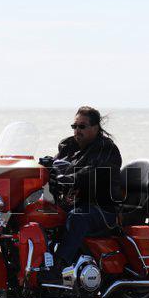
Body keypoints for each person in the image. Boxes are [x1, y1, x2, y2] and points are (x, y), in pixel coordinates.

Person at [41, 106, 123, 282]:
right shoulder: (69, 147)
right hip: (74, 203)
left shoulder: (107, 149)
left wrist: (66, 179)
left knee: (78, 216)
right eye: (75, 126)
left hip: (102, 209)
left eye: (82, 126)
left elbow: (90, 173)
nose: (77, 130)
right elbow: (57, 164)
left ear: (95, 127)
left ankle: (59, 268)